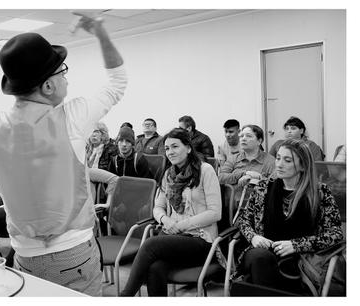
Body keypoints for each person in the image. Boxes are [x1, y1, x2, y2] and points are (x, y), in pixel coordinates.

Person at [0, 12, 126, 296]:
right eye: (63, 73)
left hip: (24, 254)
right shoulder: (72, 118)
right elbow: (117, 82)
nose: (66, 80)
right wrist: (100, 33)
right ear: (48, 86)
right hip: (72, 253)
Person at [120, 128, 222, 296]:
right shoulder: (169, 174)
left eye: (175, 146)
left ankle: (125, 296)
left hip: (201, 239)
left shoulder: (205, 171)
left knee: (150, 244)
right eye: (167, 148)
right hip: (174, 237)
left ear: (188, 148)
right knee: (155, 267)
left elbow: (215, 212)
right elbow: (157, 208)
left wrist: (180, 225)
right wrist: (166, 221)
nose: (170, 152)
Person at [234, 139, 343, 293]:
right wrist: (253, 237)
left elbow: (335, 234)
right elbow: (244, 220)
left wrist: (296, 245)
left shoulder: (319, 192)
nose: (279, 164)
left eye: (287, 160)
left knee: (255, 283)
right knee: (260, 258)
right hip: (261, 254)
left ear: (303, 165)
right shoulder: (263, 187)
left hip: (301, 260)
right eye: (278, 158)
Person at [218, 124, 275, 201]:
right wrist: (244, 174)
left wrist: (255, 178)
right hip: (232, 203)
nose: (243, 139)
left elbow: (274, 184)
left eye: (248, 136)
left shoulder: (270, 161)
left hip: (257, 204)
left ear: (259, 141)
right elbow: (220, 178)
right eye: (241, 136)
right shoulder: (234, 158)